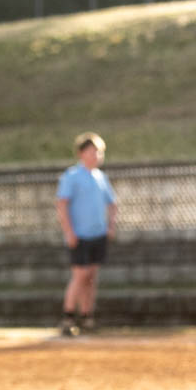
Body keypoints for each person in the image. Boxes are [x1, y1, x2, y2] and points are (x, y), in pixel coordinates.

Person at [55, 132, 117, 336]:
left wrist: (110, 226)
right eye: (92, 152)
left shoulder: (100, 177)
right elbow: (62, 205)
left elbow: (112, 204)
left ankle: (87, 316)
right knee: (80, 275)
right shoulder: (72, 176)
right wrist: (69, 232)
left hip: (98, 234)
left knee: (91, 276)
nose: (96, 156)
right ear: (81, 154)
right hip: (79, 235)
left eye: (99, 152)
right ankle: (68, 316)